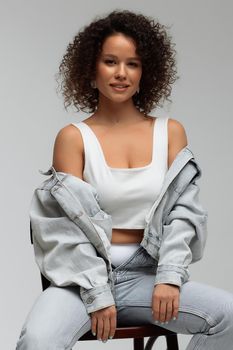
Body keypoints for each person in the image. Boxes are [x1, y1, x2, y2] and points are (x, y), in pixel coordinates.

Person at [16, 9, 233, 350]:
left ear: (146, 72)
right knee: (38, 340)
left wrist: (170, 276)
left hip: (148, 277)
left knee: (229, 315)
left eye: (132, 64)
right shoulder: (73, 138)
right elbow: (62, 228)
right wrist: (97, 292)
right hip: (81, 281)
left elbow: (185, 213)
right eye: (110, 62)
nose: (121, 73)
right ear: (91, 69)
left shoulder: (170, 133)